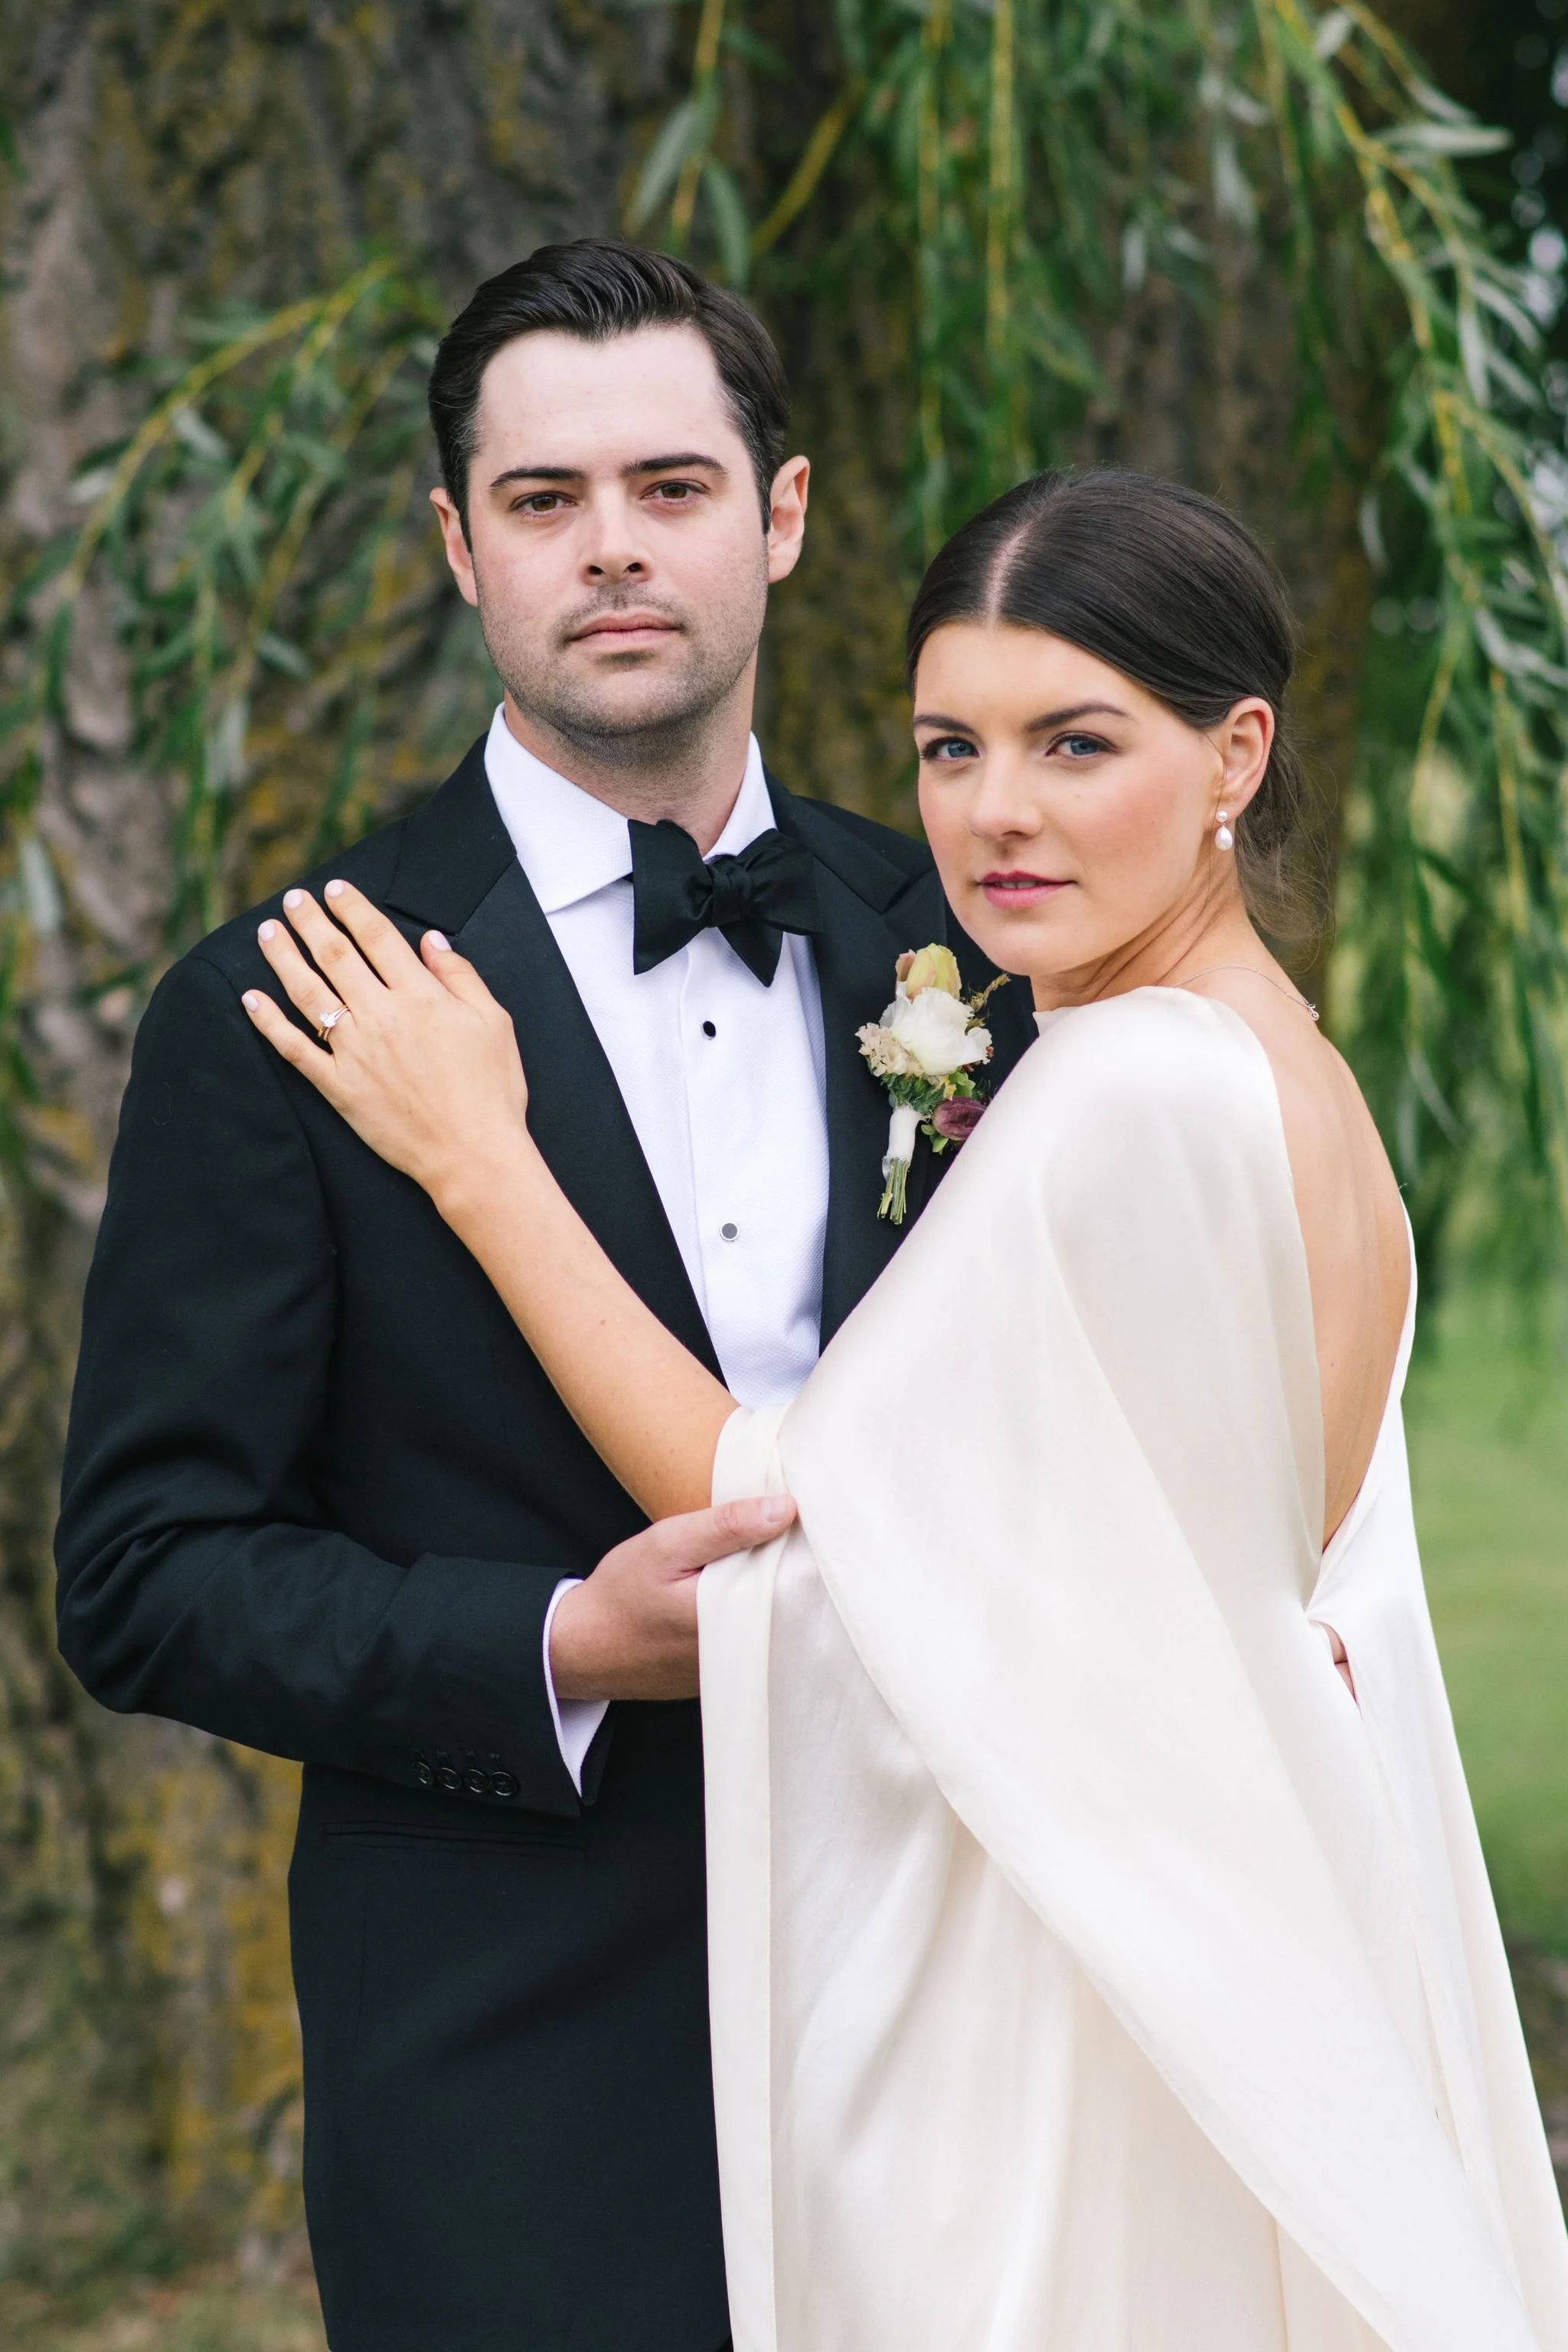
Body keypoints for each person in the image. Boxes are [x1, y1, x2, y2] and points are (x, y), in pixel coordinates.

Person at [239, 468, 1568, 2350]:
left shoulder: (1123, 1093)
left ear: (1236, 754)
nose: (992, 810)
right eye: (951, 746)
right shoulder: (1286, 1066)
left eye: (1073, 742)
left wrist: (479, 1160)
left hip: (1082, 2030)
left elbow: (773, 1509)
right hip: (1226, 1931)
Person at [52, 239, 1034, 2352]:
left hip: (958, 2009)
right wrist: (562, 1644)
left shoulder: (967, 948)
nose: (612, 549)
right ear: (458, 548)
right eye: (543, 499)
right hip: (511, 2065)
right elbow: (145, 1575)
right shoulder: (286, 1004)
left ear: (780, 515)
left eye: (672, 487)